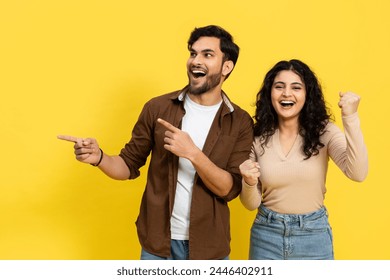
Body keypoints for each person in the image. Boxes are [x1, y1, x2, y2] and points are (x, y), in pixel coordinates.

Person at [58, 25, 254, 260]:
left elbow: (229, 189)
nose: (195, 61)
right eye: (193, 53)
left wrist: (192, 153)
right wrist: (99, 157)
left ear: (227, 66)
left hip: (210, 249)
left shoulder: (240, 121)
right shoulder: (158, 108)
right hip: (157, 246)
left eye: (207, 55)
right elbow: (128, 165)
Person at [239, 59, 368, 260]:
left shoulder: (324, 132)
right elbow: (251, 203)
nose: (286, 94)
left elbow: (358, 173)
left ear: (307, 94)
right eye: (279, 87)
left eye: (296, 87)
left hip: (313, 235)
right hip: (266, 234)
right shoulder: (257, 137)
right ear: (269, 94)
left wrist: (350, 117)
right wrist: (248, 181)